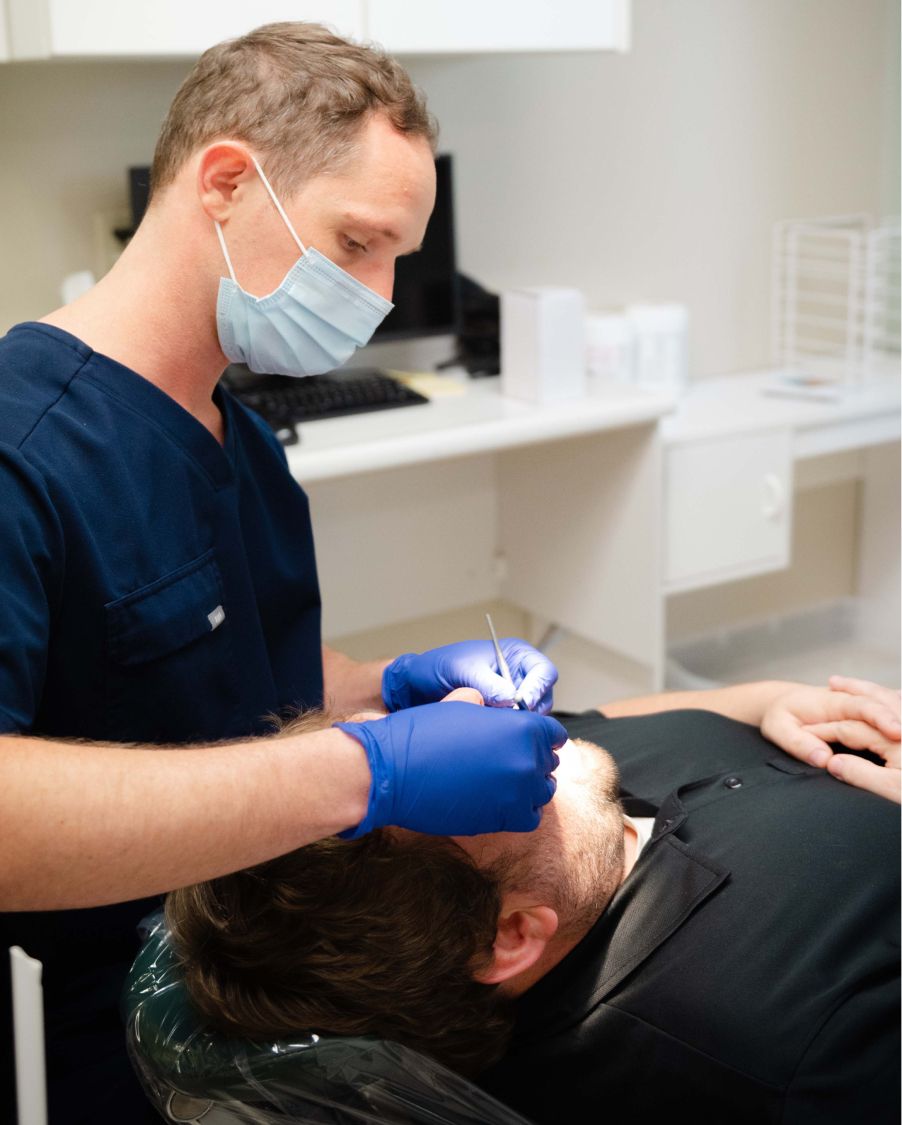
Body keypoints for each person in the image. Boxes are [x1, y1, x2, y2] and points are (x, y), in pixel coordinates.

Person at [0, 23, 568, 1123]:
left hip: (259, 968)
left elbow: (217, 679)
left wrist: (388, 686)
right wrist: (368, 772)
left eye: (396, 255)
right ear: (225, 181)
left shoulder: (235, 436)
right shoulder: (24, 449)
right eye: (357, 243)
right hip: (107, 1029)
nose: (385, 292)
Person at [167, 676, 901, 1124]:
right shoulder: (792, 1045)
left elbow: (605, 721)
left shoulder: (558, 829)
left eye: (382, 744)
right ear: (512, 935)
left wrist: (764, 699)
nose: (466, 707)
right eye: (452, 780)